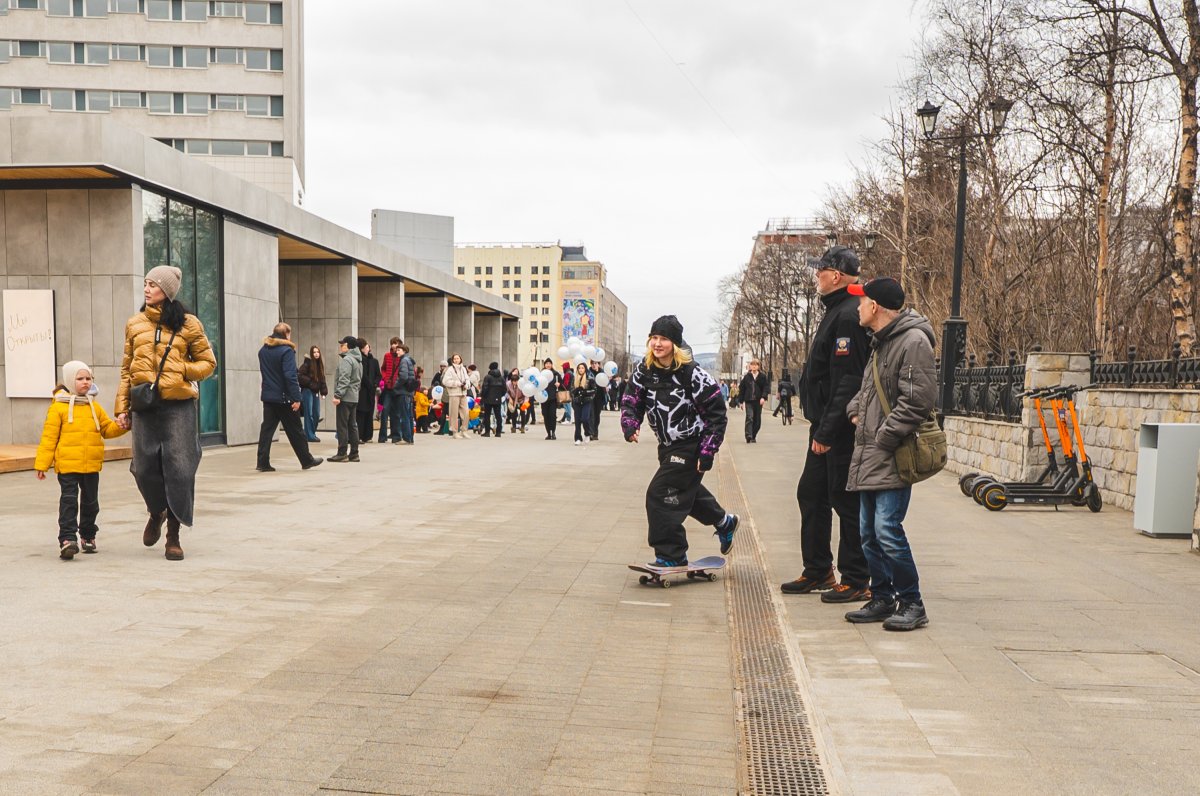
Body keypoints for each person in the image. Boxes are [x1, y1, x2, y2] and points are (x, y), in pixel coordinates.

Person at [842, 278, 936, 631]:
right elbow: (869, 390)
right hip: (871, 452)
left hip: (892, 452)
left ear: (876, 306)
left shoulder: (912, 342)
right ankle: (882, 597)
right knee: (868, 531)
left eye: (862, 301)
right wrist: (854, 410)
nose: (858, 307)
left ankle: (912, 602)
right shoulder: (881, 342)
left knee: (887, 529)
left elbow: (918, 400)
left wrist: (883, 436)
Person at [782, 245, 872, 602]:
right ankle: (819, 569)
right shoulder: (837, 310)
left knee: (844, 500)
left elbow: (847, 381)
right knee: (812, 493)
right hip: (824, 425)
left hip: (838, 430)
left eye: (820, 271)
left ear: (835, 275)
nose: (816, 276)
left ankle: (857, 578)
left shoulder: (849, 315)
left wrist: (827, 431)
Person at [116, 265, 217, 562]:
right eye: (146, 283)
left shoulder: (189, 325)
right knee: (144, 468)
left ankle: (173, 534)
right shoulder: (135, 324)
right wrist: (122, 407)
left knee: (180, 469)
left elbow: (208, 363)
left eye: (153, 284)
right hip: (145, 404)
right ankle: (155, 511)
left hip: (178, 405)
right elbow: (126, 369)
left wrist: (181, 370)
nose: (147, 289)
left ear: (167, 291)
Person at [621, 315, 738, 569]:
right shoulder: (644, 370)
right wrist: (630, 424)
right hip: (666, 447)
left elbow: (717, 415)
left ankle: (671, 554)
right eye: (654, 338)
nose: (657, 343)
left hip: (691, 444)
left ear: (675, 343)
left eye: (663, 338)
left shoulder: (693, 374)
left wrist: (707, 452)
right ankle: (724, 522)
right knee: (687, 492)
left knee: (660, 494)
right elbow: (631, 399)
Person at [34, 361, 127, 559]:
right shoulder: (58, 407)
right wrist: (42, 464)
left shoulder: (94, 406)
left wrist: (122, 426)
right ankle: (68, 539)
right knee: (69, 502)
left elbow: (107, 430)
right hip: (67, 465)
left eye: (88, 378)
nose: (85, 382)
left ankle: (88, 535)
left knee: (91, 503)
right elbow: (49, 438)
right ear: (69, 381)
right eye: (80, 379)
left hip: (91, 465)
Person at [256, 323, 323, 472]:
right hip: (285, 398)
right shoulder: (286, 351)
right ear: (286, 334)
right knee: (296, 430)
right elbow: (290, 375)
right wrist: (297, 398)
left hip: (269, 396)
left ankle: (262, 462)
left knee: (266, 430)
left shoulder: (263, 351)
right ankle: (306, 460)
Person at [329, 335, 363, 462]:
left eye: (343, 345)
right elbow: (358, 380)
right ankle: (354, 453)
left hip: (345, 397)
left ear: (348, 346)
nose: (341, 347)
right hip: (354, 397)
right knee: (352, 425)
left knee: (342, 425)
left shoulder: (347, 360)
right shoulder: (358, 361)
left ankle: (342, 452)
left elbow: (344, 379)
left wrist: (338, 395)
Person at [297, 345, 327, 443]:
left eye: (317, 352)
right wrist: (310, 383)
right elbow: (300, 376)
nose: (316, 354)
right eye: (314, 352)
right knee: (308, 413)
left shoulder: (319, 365)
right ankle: (310, 435)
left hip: (315, 392)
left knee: (316, 414)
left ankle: (310, 433)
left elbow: (322, 379)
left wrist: (323, 392)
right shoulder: (307, 364)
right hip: (307, 391)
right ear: (311, 353)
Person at [355, 339, 382, 445]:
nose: (368, 348)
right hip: (362, 391)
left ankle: (368, 435)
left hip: (371, 391)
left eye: (368, 346)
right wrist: (370, 384)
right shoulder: (360, 360)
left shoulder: (373, 361)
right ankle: (360, 435)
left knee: (369, 412)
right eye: (366, 346)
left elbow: (378, 375)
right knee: (361, 413)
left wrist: (375, 384)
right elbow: (362, 375)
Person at [392, 343, 417, 444]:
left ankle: (406, 438)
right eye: (396, 350)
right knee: (409, 416)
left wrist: (395, 385)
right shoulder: (409, 360)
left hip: (403, 391)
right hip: (409, 392)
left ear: (404, 351)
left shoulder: (403, 361)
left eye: (399, 350)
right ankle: (410, 438)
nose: (397, 352)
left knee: (404, 415)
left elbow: (403, 377)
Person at [738, 359, 768, 442]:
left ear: (758, 366)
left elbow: (766, 388)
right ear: (750, 366)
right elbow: (742, 389)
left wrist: (763, 397)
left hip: (758, 401)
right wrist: (741, 402)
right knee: (749, 417)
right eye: (752, 365)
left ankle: (753, 435)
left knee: (757, 420)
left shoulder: (762, 376)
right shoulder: (747, 377)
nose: (754, 366)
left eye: (756, 365)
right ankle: (748, 435)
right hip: (749, 401)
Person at [441, 354, 471, 439]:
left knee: (466, 412)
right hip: (454, 393)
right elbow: (445, 381)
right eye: (455, 359)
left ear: (460, 359)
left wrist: (467, 385)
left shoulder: (463, 369)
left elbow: (467, 379)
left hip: (463, 393)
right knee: (453, 413)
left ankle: (464, 430)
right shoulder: (450, 369)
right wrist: (457, 383)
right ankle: (454, 431)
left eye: (458, 358)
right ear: (452, 360)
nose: (456, 360)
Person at [570, 362, 595, 446]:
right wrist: (575, 392)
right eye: (579, 368)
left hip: (586, 401)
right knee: (577, 421)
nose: (581, 369)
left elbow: (594, 390)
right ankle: (578, 438)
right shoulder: (574, 378)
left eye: (582, 368)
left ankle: (587, 433)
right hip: (577, 402)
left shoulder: (590, 378)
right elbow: (571, 390)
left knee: (585, 418)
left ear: (585, 369)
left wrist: (585, 392)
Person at [480, 362, 507, 437]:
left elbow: (484, 388)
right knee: (498, 415)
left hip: (488, 399)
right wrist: (499, 395)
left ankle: (487, 432)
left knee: (487, 415)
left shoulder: (487, 377)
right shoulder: (501, 377)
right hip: (497, 399)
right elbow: (504, 389)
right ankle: (498, 432)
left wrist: (483, 396)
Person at [539, 358, 561, 440]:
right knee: (545, 415)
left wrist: (559, 384)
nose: (548, 365)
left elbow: (562, 384)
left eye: (549, 363)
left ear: (551, 365)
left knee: (552, 415)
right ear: (544, 365)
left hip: (553, 398)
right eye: (546, 363)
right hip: (543, 398)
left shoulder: (556, 374)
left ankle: (553, 432)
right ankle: (548, 433)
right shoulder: (541, 374)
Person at [590, 361, 606, 440]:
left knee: (597, 415)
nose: (594, 365)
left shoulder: (602, 373)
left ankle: (595, 432)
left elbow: (605, 384)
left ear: (598, 364)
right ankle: (591, 433)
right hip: (590, 397)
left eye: (595, 363)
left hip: (599, 397)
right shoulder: (589, 373)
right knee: (591, 415)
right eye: (592, 363)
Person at [506, 368, 525, 434]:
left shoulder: (522, 384)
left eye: (516, 381)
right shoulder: (508, 384)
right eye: (513, 381)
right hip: (513, 399)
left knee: (523, 412)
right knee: (513, 412)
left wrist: (525, 402)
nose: (515, 383)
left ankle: (523, 427)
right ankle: (513, 427)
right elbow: (506, 392)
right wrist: (510, 398)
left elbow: (526, 393)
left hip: (523, 399)